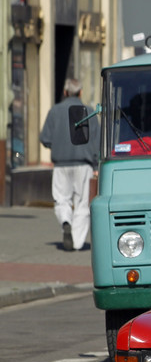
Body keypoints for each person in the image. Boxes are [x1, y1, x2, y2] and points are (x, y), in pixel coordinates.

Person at [39, 77, 100, 251]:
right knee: (82, 203)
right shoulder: (88, 112)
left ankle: (65, 221)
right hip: (84, 164)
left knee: (61, 199)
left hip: (61, 164)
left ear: (65, 92)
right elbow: (97, 141)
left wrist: (57, 145)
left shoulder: (54, 111)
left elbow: (45, 138)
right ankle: (77, 242)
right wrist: (95, 166)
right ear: (80, 92)